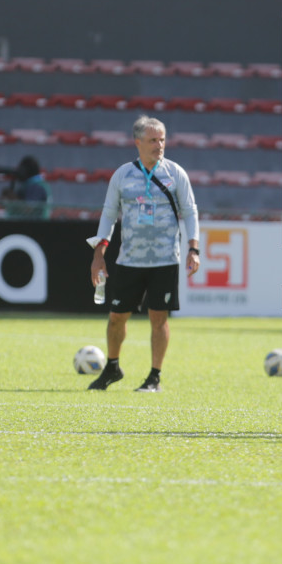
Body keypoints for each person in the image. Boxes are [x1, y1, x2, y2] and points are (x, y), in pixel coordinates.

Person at [88, 117, 200, 393]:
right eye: (153, 140)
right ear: (137, 142)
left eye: (162, 139)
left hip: (165, 259)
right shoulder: (123, 175)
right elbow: (109, 214)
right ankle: (112, 367)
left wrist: (193, 248)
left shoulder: (176, 173)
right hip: (130, 259)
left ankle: (154, 376)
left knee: (158, 317)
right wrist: (98, 255)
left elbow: (190, 211)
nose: (159, 145)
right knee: (116, 316)